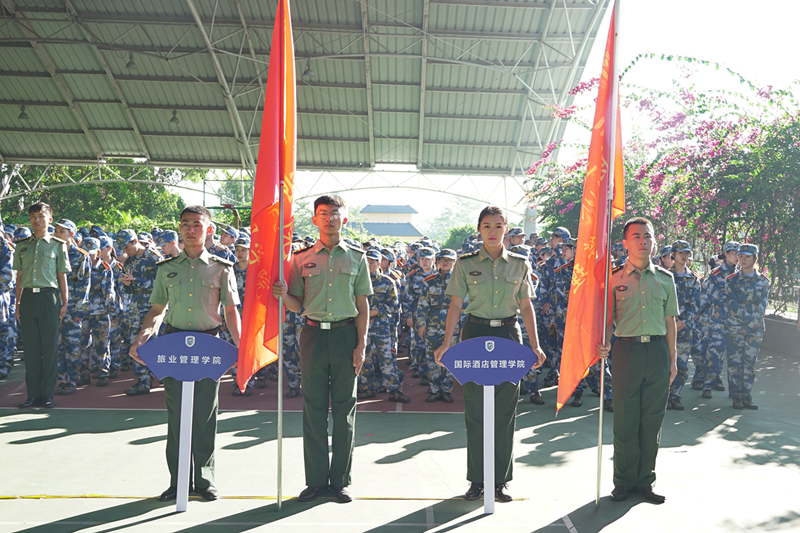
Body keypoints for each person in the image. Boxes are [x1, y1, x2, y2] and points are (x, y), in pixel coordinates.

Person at [129, 205, 241, 502]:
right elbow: (156, 310)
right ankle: (178, 481)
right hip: (173, 345)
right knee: (177, 416)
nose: (191, 229)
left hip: (209, 347)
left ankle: (205, 481)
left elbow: (230, 311)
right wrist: (143, 336)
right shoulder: (167, 268)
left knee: (205, 417)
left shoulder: (221, 268)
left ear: (209, 229)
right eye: (185, 224)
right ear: (179, 228)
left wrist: (240, 347)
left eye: (197, 224)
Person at [434, 206, 546, 503]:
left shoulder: (520, 264)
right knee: (475, 411)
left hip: (509, 336)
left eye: (498, 225)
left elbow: (525, 306)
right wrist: (447, 343)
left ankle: (500, 481)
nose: (493, 231)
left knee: (505, 413)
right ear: (479, 230)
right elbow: (456, 305)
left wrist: (534, 346)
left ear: (506, 228)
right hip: (475, 335)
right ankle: (477, 480)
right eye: (487, 226)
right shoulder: (464, 263)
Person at [272, 194, 371, 504]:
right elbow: (297, 305)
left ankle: (341, 481)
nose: (329, 218)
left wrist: (361, 345)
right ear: (314, 219)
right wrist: (282, 294)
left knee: (344, 412)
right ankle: (315, 481)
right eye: (323, 213)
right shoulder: (300, 259)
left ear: (345, 218)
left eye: (335, 213)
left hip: (345, 337)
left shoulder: (357, 257)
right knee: (313, 410)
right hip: (313, 336)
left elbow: (362, 305)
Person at [596, 217, 678, 504]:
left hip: (657, 353)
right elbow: (607, 320)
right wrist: (605, 342)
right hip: (627, 351)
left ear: (654, 241)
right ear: (625, 242)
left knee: (652, 420)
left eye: (648, 236)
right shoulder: (613, 278)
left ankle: (645, 482)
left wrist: (673, 359)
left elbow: (670, 323)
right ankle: (623, 482)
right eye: (636, 236)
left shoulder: (666, 280)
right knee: (626, 420)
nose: (643, 241)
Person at [13, 202, 71, 408]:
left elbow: (61, 274)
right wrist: (17, 302)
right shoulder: (22, 246)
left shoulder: (57, 245)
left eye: (40, 216)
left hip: (49, 298)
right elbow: (19, 276)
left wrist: (65, 302)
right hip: (28, 298)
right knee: (30, 349)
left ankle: (47, 395)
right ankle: (33, 395)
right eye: (32, 216)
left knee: (49, 348)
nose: (36, 220)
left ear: (49, 219)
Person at [359, 248, 409, 403]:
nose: (369, 264)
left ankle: (393, 389)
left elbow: (394, 306)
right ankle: (368, 388)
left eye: (372, 262)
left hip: (382, 328)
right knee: (365, 359)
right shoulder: (357, 282)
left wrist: (373, 312)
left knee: (386, 359)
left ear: (379, 263)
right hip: (363, 328)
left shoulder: (387, 282)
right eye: (366, 261)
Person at [416, 248, 465, 403]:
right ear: (437, 262)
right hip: (433, 325)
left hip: (453, 327)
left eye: (449, 260)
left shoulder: (460, 282)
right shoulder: (428, 281)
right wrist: (422, 324)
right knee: (432, 358)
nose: (446, 263)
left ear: (454, 263)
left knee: (450, 357)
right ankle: (434, 389)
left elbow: (465, 306)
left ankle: (446, 389)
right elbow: (422, 304)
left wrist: (463, 326)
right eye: (443, 260)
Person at [725, 244, 770, 410]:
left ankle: (746, 396)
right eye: (741, 256)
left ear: (755, 258)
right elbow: (732, 303)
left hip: (755, 329)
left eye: (747, 256)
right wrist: (748, 322)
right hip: (736, 327)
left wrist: (752, 324)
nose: (743, 259)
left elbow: (762, 305)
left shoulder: (763, 282)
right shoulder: (731, 280)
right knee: (735, 362)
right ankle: (736, 396)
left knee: (749, 363)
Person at [117, 229, 161, 395]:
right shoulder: (129, 262)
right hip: (136, 306)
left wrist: (138, 281)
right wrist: (126, 284)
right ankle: (143, 381)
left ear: (135, 241)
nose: (124, 251)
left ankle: (160, 374)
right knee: (136, 342)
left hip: (154, 306)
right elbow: (125, 288)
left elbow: (161, 283)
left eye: (126, 246)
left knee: (154, 342)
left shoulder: (154, 257)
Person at [54, 219, 92, 394]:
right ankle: (62, 379)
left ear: (71, 234)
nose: (57, 234)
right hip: (54, 306)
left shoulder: (81, 256)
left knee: (73, 346)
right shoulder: (52, 253)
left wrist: (79, 309)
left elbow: (84, 285)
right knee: (58, 346)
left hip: (72, 308)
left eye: (62, 231)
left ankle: (72, 380)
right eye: (56, 230)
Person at [700, 241, 740, 398]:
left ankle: (733, 391)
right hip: (719, 320)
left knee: (733, 356)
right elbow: (710, 295)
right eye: (734, 253)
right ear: (726, 254)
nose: (737, 257)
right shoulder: (716, 274)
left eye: (739, 254)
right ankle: (707, 385)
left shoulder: (741, 274)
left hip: (736, 322)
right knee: (714, 354)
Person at [667, 240, 702, 410]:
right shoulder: (665, 276)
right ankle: (664, 395)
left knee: (682, 364)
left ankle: (675, 395)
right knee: (665, 362)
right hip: (666, 327)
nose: (683, 255)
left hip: (685, 329)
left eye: (686, 252)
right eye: (679, 252)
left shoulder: (694, 279)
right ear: (672, 254)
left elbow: (696, 304)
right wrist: (673, 321)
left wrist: (683, 322)